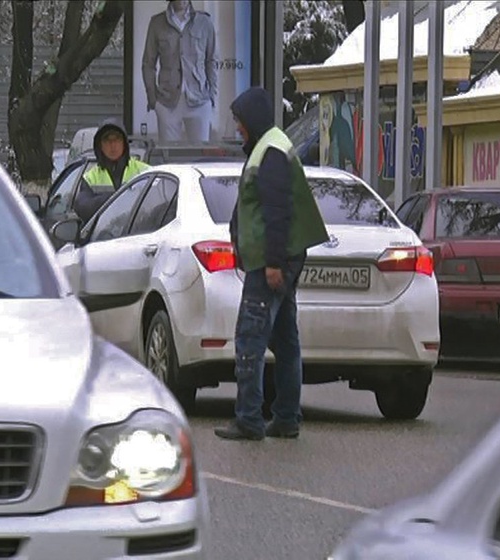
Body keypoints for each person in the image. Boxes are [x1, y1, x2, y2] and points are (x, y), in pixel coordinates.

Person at [214, 87, 329, 441]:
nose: (237, 129)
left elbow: (276, 213)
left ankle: (249, 418)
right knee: (284, 340)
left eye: (239, 122)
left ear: (252, 120)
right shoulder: (272, 146)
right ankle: (286, 418)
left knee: (250, 338)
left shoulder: (271, 152)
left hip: (270, 261)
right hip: (277, 259)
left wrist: (274, 263)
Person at [141, 0, 218, 144]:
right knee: (169, 159)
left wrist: (212, 95)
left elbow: (211, 60)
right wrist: (153, 99)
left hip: (199, 100)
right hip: (167, 102)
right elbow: (148, 64)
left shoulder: (204, 22)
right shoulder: (157, 23)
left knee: (200, 157)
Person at [73, 119, 150, 223]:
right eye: (107, 140)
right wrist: (116, 199)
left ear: (124, 143)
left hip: (138, 234)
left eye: (117, 139)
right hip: (102, 235)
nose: (113, 145)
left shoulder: (145, 171)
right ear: (100, 145)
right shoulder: (91, 178)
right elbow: (82, 206)